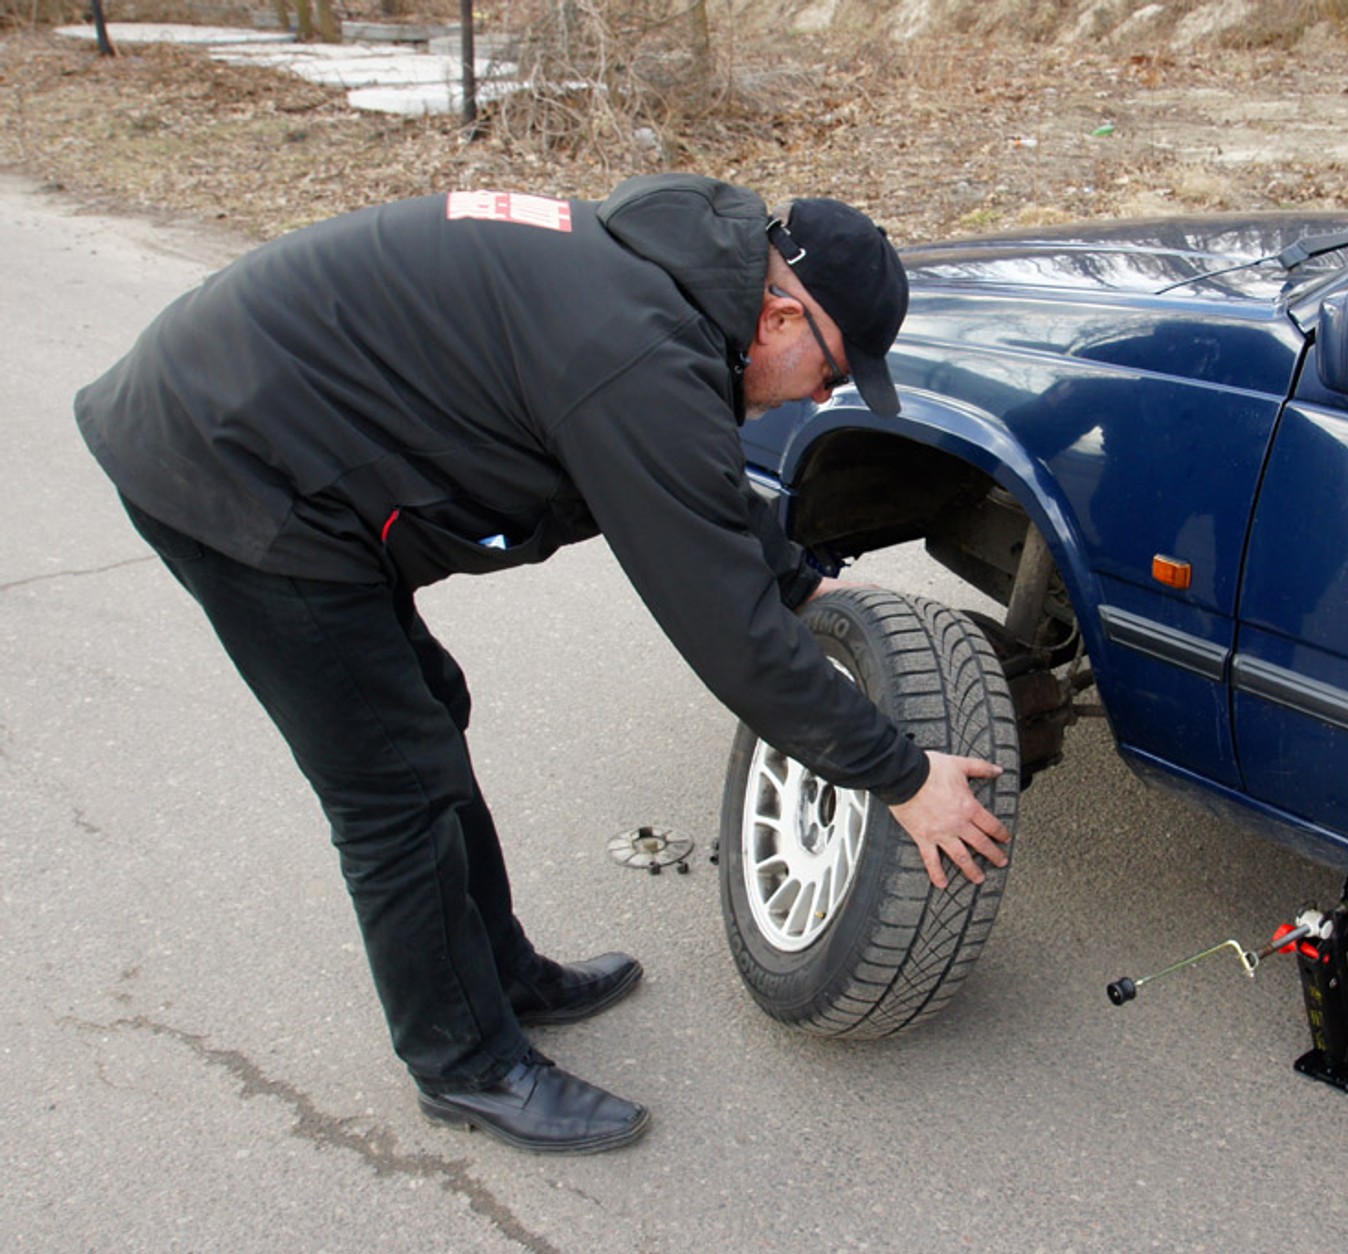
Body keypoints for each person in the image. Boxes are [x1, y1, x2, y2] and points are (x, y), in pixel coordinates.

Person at [74, 173, 1012, 1156]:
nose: (819, 396)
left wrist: (795, 581)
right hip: (231, 464)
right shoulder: (638, 352)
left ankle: (500, 973)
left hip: (270, 421)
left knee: (427, 709)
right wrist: (901, 776)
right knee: (394, 785)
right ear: (781, 316)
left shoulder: (664, 288)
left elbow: (685, 480)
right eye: (829, 372)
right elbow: (725, 629)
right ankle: (464, 1065)